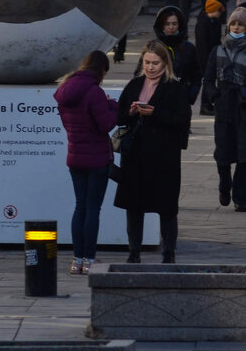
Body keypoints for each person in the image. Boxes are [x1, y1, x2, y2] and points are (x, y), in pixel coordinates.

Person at [114, 40, 191, 263]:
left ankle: (169, 251)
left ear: (164, 63)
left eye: (155, 63)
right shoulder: (134, 85)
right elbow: (119, 118)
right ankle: (134, 250)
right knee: (134, 205)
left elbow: (182, 121)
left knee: (166, 206)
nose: (150, 67)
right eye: (147, 62)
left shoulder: (175, 88)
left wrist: (155, 113)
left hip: (164, 156)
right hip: (136, 155)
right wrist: (130, 112)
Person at [201, 6, 246, 212]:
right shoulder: (218, 50)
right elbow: (208, 79)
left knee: (244, 156)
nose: (237, 27)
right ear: (228, 25)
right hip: (224, 107)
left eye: (241, 24)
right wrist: (214, 95)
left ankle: (241, 199)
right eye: (234, 23)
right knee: (222, 154)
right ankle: (225, 185)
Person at [53, 50, 117, 275]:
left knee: (79, 206)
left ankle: (76, 260)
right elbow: (106, 124)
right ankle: (89, 260)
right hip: (97, 159)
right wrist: (113, 106)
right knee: (92, 209)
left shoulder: (64, 90)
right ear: (101, 70)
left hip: (75, 157)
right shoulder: (94, 92)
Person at [148, 6, 202, 105]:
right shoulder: (152, 47)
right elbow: (141, 73)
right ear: (161, 25)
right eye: (167, 24)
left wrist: (190, 96)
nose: (171, 27)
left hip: (181, 101)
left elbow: (196, 76)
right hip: (156, 100)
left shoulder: (188, 48)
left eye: (174, 24)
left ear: (179, 25)